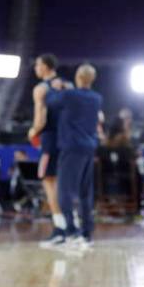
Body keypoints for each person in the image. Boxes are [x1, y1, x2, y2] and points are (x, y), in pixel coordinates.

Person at [47, 64, 102, 248]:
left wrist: (56, 88)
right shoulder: (96, 98)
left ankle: (72, 231)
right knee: (86, 192)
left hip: (71, 147)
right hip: (89, 147)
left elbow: (51, 101)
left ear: (78, 76)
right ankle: (86, 232)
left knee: (65, 192)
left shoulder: (69, 95)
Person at [28, 54, 70, 248]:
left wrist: (32, 131)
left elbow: (40, 121)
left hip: (50, 139)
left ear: (45, 66)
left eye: (37, 65)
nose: (35, 68)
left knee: (48, 182)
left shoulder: (41, 89)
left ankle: (59, 229)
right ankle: (70, 227)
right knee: (63, 185)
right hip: (67, 139)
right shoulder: (67, 86)